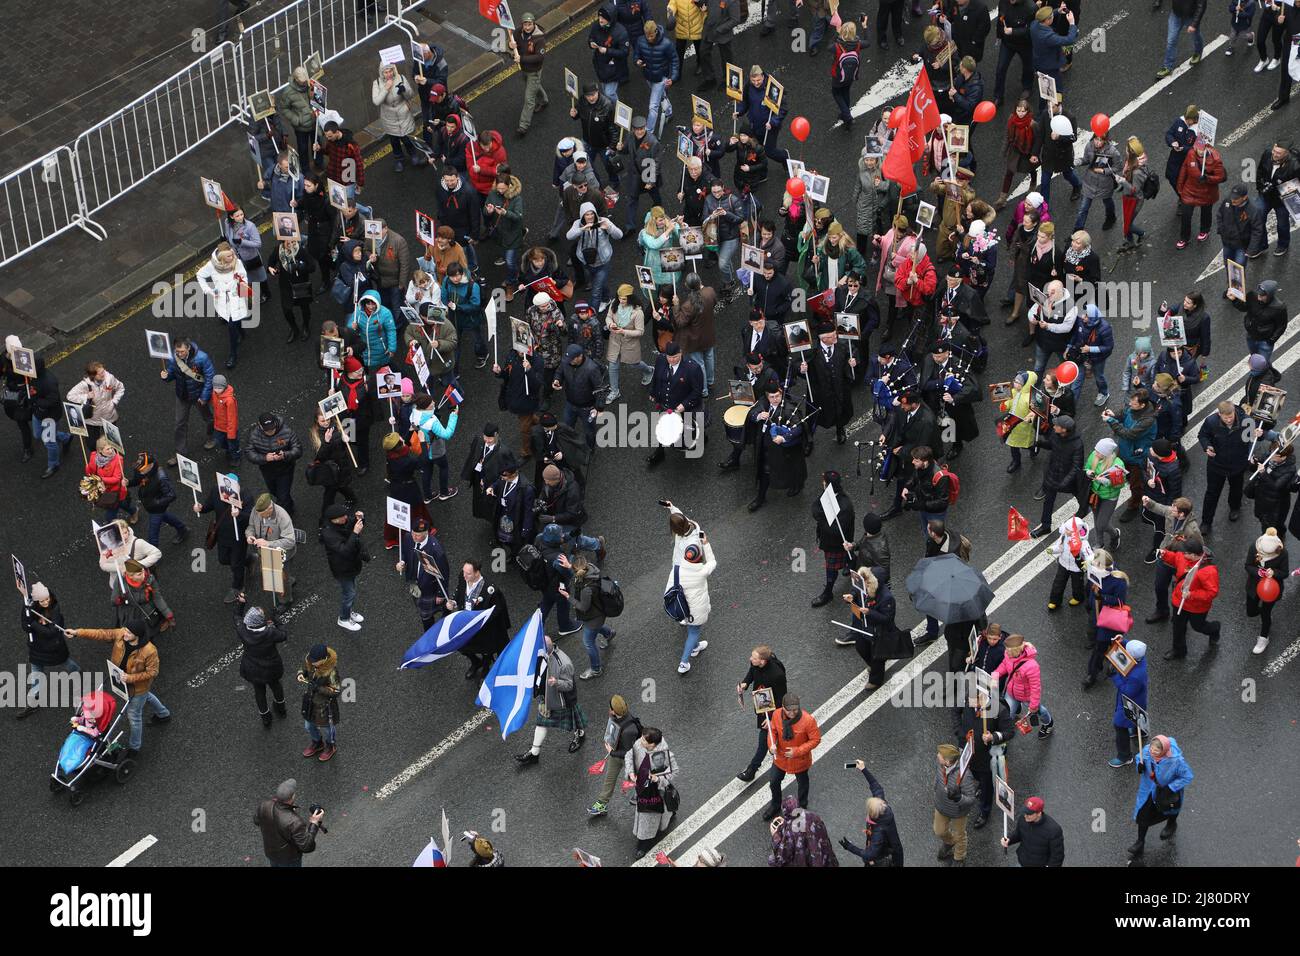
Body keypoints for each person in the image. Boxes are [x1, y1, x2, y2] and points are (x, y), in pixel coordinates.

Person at [67, 619, 169, 757]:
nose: (124, 633)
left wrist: (130, 678)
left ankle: (134, 748)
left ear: (137, 635)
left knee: (134, 716)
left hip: (136, 687)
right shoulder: (121, 634)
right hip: (120, 679)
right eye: (125, 630)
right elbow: (101, 634)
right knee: (147, 696)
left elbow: (153, 672)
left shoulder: (149, 650)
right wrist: (77, 632)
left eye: (128, 632)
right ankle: (163, 714)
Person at [516, 633, 587, 763]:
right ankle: (534, 753)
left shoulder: (564, 663)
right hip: (548, 697)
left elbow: (569, 685)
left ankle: (580, 734)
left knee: (576, 721)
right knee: (541, 723)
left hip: (562, 700)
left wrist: (556, 682)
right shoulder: (543, 655)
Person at [17, 582, 80, 719]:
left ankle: (77, 671)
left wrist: (32, 623)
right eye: (42, 600)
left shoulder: (55, 609)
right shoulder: (29, 608)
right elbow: (25, 627)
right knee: (36, 675)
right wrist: (27, 618)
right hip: (37, 649)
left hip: (53, 647)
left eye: (47, 599)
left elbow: (51, 632)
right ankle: (33, 702)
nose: (46, 602)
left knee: (66, 663)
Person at [1129, 734, 1194, 857]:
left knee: (1170, 810)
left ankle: (1171, 824)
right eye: (1151, 748)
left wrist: (1171, 788)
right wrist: (1139, 765)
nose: (1152, 751)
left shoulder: (1176, 762)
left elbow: (1187, 776)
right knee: (1143, 814)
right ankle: (1140, 842)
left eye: (1156, 750)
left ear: (1163, 750)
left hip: (1167, 793)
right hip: (1149, 790)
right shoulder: (1148, 751)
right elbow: (1139, 757)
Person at [446, 559, 512, 678]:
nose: (464, 575)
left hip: (484, 628)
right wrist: (453, 602)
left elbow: (497, 610)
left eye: (468, 573)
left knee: (486, 650)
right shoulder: (463, 577)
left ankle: (485, 667)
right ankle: (476, 662)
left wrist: (481, 620)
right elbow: (459, 591)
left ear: (477, 573)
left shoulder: (490, 589)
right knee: (461, 646)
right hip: (466, 624)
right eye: (464, 571)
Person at [761, 694, 822, 821]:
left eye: (795, 709)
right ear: (783, 707)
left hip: (799, 759)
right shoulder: (777, 714)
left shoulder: (808, 720)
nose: (793, 713)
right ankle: (776, 804)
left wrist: (797, 751)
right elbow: (772, 731)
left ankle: (802, 806)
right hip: (781, 757)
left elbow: (815, 739)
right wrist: (771, 744)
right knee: (774, 782)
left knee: (803, 784)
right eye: (789, 710)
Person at [1159, 539, 1221, 659]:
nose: (1183, 554)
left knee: (1198, 626)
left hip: (1197, 607)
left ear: (1193, 555)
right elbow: (1175, 557)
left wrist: (1192, 595)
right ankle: (1179, 650)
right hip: (1179, 601)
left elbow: (1212, 592)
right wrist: (1164, 554)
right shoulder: (1184, 557)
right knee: (1178, 626)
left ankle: (1214, 628)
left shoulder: (1208, 571)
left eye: (1185, 553)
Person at [735, 645, 788, 782]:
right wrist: (745, 684)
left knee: (764, 740)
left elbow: (781, 699)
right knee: (773, 738)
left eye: (754, 658)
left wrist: (772, 719)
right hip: (762, 704)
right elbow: (752, 672)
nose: (750, 659)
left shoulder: (777, 675)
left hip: (772, 710)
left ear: (763, 661)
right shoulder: (756, 663)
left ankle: (752, 770)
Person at [647, 343, 705, 466]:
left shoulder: (692, 368)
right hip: (665, 404)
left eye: (675, 357)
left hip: (684, 407)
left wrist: (684, 405)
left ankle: (702, 437)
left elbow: (697, 391)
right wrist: (653, 392)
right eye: (669, 357)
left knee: (689, 427)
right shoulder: (661, 359)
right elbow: (656, 377)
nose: (672, 360)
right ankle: (659, 452)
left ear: (681, 353)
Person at [624, 726, 678, 858]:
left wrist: (658, 779)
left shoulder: (665, 755)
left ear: (652, 744)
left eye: (644, 740)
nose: (640, 741)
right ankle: (670, 813)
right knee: (649, 814)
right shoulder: (639, 744)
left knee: (648, 816)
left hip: (655, 792)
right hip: (642, 787)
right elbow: (629, 756)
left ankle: (643, 843)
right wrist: (631, 773)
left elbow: (674, 772)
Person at [838, 760, 904, 866]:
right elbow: (876, 787)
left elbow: (869, 855)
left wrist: (850, 847)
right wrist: (863, 769)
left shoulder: (879, 833)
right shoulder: (882, 807)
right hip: (891, 850)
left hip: (882, 858)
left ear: (872, 815)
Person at [1197, 401, 1249, 533]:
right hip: (1217, 464)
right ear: (1219, 414)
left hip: (1237, 463)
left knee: (1236, 489)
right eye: (1225, 417)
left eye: (1230, 416)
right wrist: (1206, 446)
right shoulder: (1211, 422)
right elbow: (1203, 435)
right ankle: (1206, 522)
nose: (1229, 419)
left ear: (1234, 411)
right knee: (1212, 493)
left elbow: (1252, 438)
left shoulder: (1246, 420)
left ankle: (1235, 508)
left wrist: (1259, 434)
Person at [588, 695, 643, 817]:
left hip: (627, 758)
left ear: (613, 710)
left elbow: (629, 754)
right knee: (609, 779)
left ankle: (645, 797)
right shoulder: (615, 716)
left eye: (610, 708)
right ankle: (602, 803)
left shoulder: (629, 731)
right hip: (616, 753)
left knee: (637, 780)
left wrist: (611, 752)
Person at [237, 606, 288, 728]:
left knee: (259, 691)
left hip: (253, 669)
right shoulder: (270, 633)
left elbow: (237, 617)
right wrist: (276, 618)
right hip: (271, 668)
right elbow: (283, 634)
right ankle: (281, 708)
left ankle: (265, 717)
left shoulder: (242, 630)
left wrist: (240, 605)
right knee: (276, 686)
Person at [255, 779, 324, 867]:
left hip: (271, 853)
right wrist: (314, 823)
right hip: (289, 859)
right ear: (292, 797)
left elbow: (257, 821)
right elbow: (307, 846)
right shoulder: (294, 822)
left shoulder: (264, 805)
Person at [811, 471, 855, 607]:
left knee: (831, 568)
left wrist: (821, 519)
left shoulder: (845, 505)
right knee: (848, 555)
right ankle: (850, 563)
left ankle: (828, 592)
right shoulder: (828, 495)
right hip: (829, 539)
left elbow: (836, 530)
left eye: (824, 481)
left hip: (836, 543)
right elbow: (816, 507)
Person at [603, 285, 654, 402]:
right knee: (613, 365)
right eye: (620, 298)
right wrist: (610, 324)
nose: (621, 301)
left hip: (629, 342)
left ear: (630, 298)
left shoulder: (638, 312)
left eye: (624, 299)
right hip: (615, 340)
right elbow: (608, 317)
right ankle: (614, 391)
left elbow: (640, 332)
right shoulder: (614, 303)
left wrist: (623, 331)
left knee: (633, 363)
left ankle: (649, 370)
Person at [321, 504, 367, 631]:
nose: (347, 517)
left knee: (350, 591)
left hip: (350, 565)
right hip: (342, 569)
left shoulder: (342, 522)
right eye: (343, 516)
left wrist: (361, 518)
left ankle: (348, 611)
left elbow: (355, 523)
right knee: (349, 593)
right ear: (335, 520)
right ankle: (344, 618)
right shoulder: (329, 534)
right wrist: (355, 533)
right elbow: (345, 550)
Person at [673, 537, 716, 673]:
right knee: (693, 632)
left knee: (692, 629)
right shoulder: (702, 571)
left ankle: (696, 647)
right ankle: (684, 663)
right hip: (697, 610)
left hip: (683, 607)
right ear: (698, 558)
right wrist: (706, 543)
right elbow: (712, 561)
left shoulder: (678, 570)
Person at [1174, 137, 1226, 249]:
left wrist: (1207, 178)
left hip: (1207, 192)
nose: (1200, 151)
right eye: (1198, 148)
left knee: (1206, 212)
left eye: (1202, 149)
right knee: (1186, 215)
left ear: (1207, 148)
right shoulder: (1191, 154)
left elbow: (1220, 177)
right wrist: (1180, 187)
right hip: (1190, 190)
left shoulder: (1215, 158)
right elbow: (1184, 168)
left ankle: (1204, 230)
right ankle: (1184, 238)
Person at [246, 493, 298, 605]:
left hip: (282, 554)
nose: (259, 516)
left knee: (282, 580)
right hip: (264, 552)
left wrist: (268, 544)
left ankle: (285, 601)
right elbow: (251, 526)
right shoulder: (256, 510)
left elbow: (290, 541)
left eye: (263, 515)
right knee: (272, 575)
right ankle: (290, 580)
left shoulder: (282, 516)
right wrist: (249, 535)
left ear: (270, 508)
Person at [570, 556, 617, 679]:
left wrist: (568, 598)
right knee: (596, 628)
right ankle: (609, 633)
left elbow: (583, 607)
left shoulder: (586, 588)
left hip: (593, 617)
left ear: (576, 570)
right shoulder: (592, 570)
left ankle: (596, 669)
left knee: (588, 642)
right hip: (599, 611)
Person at [127, 453, 188, 548]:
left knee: (152, 536)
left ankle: (153, 554)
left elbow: (171, 495)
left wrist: (156, 503)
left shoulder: (161, 478)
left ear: (150, 465)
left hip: (157, 509)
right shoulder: (141, 470)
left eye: (142, 469)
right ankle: (183, 529)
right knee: (166, 516)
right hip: (151, 505)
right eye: (139, 468)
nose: (139, 471)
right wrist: (128, 483)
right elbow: (137, 480)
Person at [247, 412, 302, 516]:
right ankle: (288, 504)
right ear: (260, 426)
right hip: (267, 470)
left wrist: (285, 455)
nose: (270, 432)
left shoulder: (287, 431)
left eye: (272, 428)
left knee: (282, 497)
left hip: (285, 469)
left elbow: (298, 450)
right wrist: (265, 458)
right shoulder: (254, 435)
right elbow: (249, 453)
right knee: (274, 491)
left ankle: (286, 516)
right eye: (267, 430)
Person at [932, 742, 978, 866]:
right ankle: (950, 842)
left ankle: (959, 857)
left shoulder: (965, 776)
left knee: (960, 835)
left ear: (947, 762)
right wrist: (936, 788)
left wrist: (958, 798)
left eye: (940, 755)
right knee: (939, 831)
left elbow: (971, 799)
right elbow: (937, 777)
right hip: (941, 806)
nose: (937, 756)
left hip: (958, 811)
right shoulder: (940, 764)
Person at [1245, 528, 1288, 655]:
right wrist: (1258, 572)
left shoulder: (1283, 553)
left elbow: (1285, 572)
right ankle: (1264, 615)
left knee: (1266, 612)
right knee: (1251, 611)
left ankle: (1264, 637)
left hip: (1272, 589)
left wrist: (1274, 573)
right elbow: (1248, 565)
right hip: (1254, 586)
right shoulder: (1254, 546)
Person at [634, 20, 678, 135]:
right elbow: (636, 54)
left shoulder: (666, 44)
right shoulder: (640, 41)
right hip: (648, 76)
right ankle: (669, 112)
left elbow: (674, 60)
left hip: (660, 79)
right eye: (647, 36)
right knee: (661, 96)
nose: (649, 38)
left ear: (656, 31)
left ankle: (648, 133)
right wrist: (637, 61)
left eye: (651, 35)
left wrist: (672, 78)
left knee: (653, 106)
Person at [65, 361, 125, 446]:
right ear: (93, 376)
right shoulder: (85, 385)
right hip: (92, 419)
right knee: (92, 445)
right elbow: (70, 395)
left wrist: (114, 402)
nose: (104, 374)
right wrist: (86, 396)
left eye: (103, 371)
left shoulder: (109, 378)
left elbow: (120, 388)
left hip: (109, 415)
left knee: (113, 444)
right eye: (100, 373)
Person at [298, 644, 341, 761]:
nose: (312, 663)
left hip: (325, 706)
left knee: (327, 728)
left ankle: (330, 746)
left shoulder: (331, 672)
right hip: (311, 702)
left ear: (323, 659)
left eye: (315, 662)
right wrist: (301, 674)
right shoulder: (311, 661)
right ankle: (317, 743)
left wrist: (318, 688)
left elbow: (336, 691)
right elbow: (304, 668)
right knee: (308, 726)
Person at [509, 12, 549, 137]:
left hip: (534, 71)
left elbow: (540, 57)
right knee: (534, 86)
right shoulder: (517, 32)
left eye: (530, 24)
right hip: (524, 70)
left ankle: (523, 126)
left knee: (529, 99)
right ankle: (544, 100)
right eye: (525, 24)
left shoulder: (539, 38)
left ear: (534, 23)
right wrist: (510, 46)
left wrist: (522, 59)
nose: (527, 27)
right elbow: (512, 43)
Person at [1256, 141, 1298, 255]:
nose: (1274, 154)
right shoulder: (1267, 154)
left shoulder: (1295, 166)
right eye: (1274, 151)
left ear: (1286, 154)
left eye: (1279, 153)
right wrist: (1261, 187)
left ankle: (1283, 245)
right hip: (1265, 196)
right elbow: (1260, 171)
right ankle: (1261, 245)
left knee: (1282, 224)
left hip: (1283, 200)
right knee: (1257, 218)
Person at [1001, 796, 1065, 866]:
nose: (1025, 815)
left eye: (1029, 814)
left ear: (1039, 813)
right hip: (1022, 862)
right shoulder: (1023, 819)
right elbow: (1018, 834)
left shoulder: (1054, 830)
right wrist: (1009, 839)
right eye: (1025, 812)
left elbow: (1057, 856)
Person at [1158, 0, 1209, 77]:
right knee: (1171, 40)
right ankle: (1167, 66)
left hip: (1190, 17)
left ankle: (1198, 52)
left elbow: (1201, 6)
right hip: (1175, 14)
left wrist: (1194, 24)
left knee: (1195, 36)